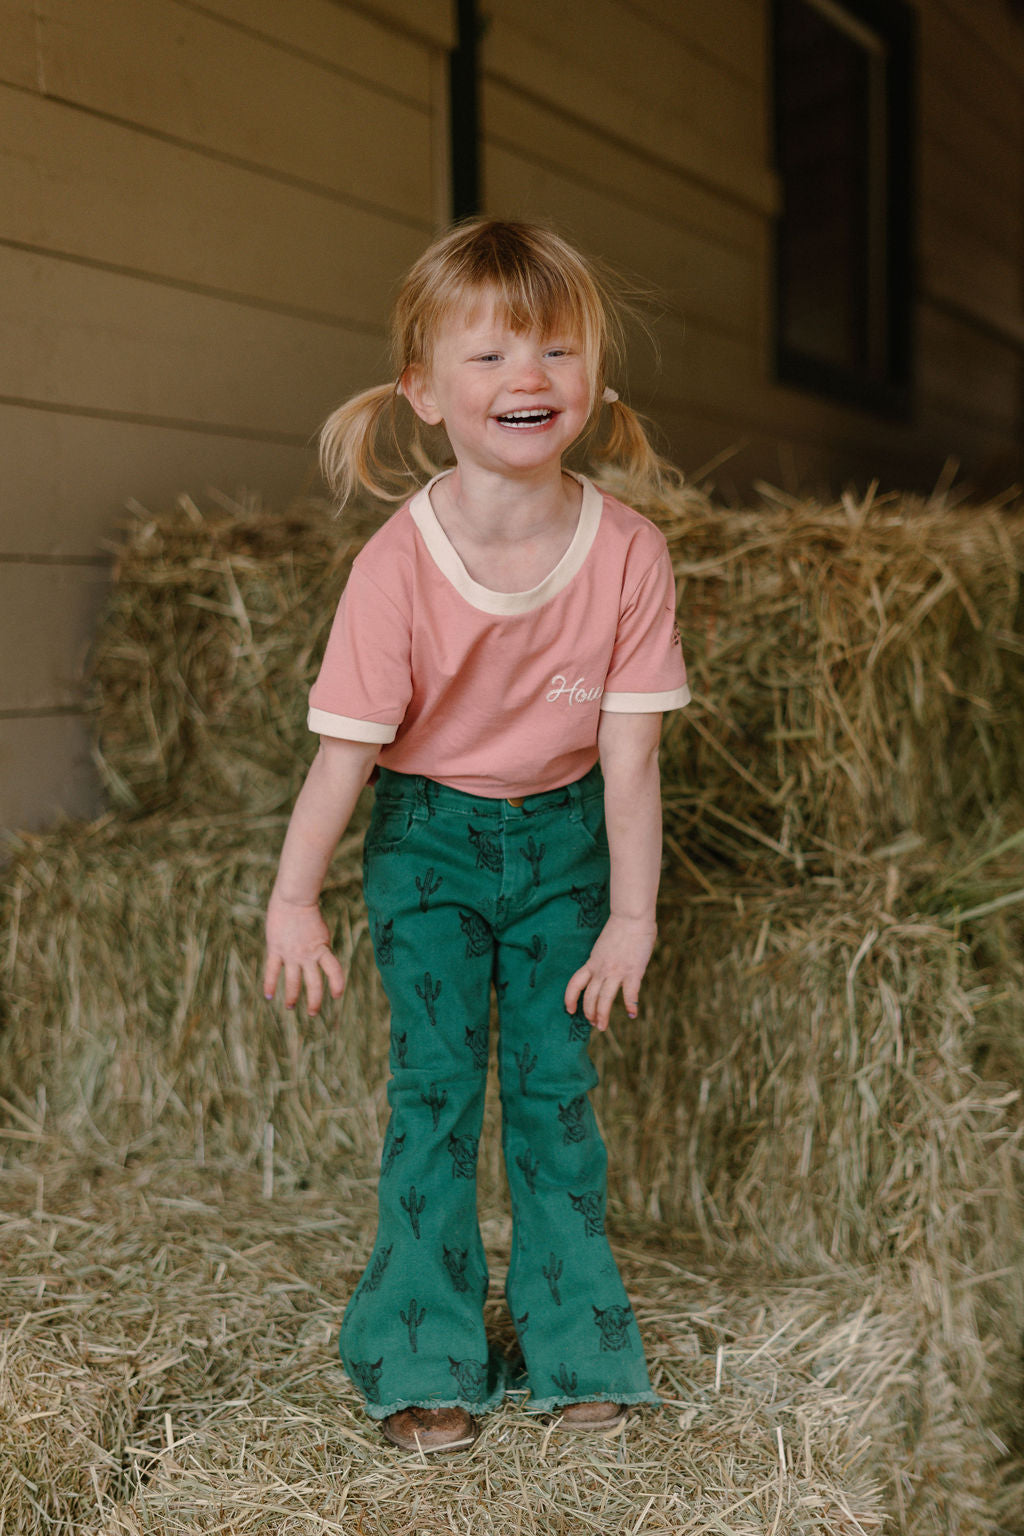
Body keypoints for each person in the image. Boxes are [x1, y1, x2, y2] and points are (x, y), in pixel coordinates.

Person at [263, 218, 690, 1453]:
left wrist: (631, 913)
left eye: (556, 351)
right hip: (429, 840)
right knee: (437, 1093)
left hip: (565, 846)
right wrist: (295, 899)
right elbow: (344, 754)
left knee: (555, 1098)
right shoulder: (398, 564)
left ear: (595, 385)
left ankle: (576, 1346)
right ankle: (420, 1350)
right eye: (493, 355)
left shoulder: (627, 555)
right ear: (424, 392)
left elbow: (630, 758)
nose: (528, 378)